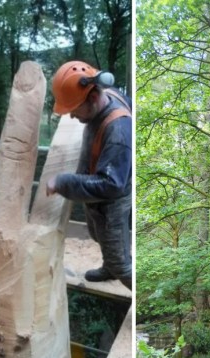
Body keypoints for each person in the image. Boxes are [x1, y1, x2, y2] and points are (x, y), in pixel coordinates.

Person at [46, 61, 132, 290]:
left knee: (121, 261)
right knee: (96, 233)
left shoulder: (118, 131)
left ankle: (136, 293)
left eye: (75, 110)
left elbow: (111, 185)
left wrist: (63, 182)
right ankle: (109, 268)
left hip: (114, 195)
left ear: (93, 99)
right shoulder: (106, 94)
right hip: (97, 177)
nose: (73, 117)